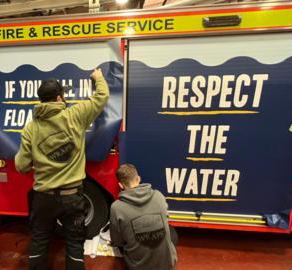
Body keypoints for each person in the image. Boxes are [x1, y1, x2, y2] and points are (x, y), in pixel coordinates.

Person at [15, 68, 109, 270]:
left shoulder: (31, 128)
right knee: (75, 245)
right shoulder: (75, 115)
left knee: (39, 242)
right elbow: (102, 96)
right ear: (59, 98)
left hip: (43, 198)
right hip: (72, 197)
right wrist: (98, 77)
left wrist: (37, 162)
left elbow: (21, 166)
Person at [110, 163, 177, 270]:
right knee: (171, 231)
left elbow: (117, 241)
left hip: (138, 267)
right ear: (138, 178)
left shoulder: (116, 208)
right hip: (167, 265)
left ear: (120, 185)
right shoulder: (158, 195)